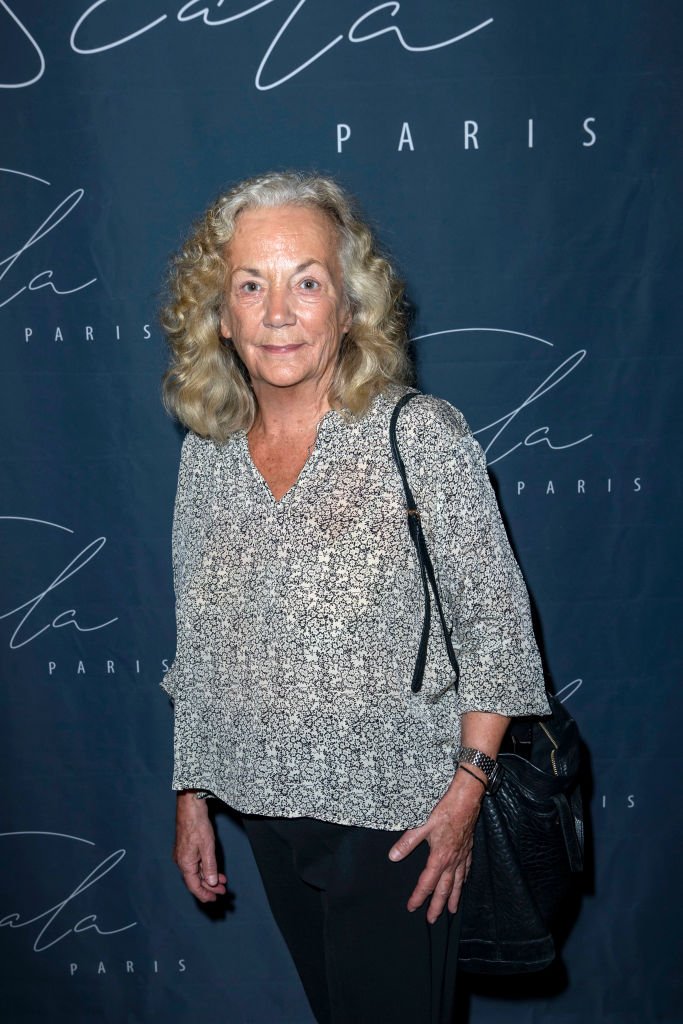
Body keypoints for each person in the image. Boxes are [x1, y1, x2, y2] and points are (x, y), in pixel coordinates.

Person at [160, 171, 550, 1024]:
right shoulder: (208, 454)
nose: (277, 312)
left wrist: (463, 798)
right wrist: (193, 796)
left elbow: (497, 631)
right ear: (219, 315)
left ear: (349, 306)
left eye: (307, 282)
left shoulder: (418, 434)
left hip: (399, 823)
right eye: (250, 286)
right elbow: (199, 637)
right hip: (262, 805)